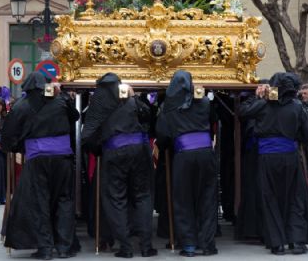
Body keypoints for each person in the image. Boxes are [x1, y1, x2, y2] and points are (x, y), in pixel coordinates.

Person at [239, 73, 308, 255]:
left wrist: (259, 96)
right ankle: (297, 241)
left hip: (267, 158)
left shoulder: (263, 105)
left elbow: (243, 111)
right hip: (289, 157)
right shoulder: (297, 107)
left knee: (270, 199)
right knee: (295, 197)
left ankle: (276, 243)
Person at [3, 73, 79, 260]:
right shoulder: (59, 101)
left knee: (39, 202)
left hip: (37, 158)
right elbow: (75, 117)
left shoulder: (21, 105)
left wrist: (21, 147)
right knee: (64, 201)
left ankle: (45, 248)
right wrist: (61, 94)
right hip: (62, 157)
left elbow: (8, 137)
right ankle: (64, 247)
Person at [81, 73, 157, 258]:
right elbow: (149, 117)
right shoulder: (131, 100)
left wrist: (100, 149)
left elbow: (88, 135)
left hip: (114, 152)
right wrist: (134, 98)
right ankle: (146, 247)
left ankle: (126, 247)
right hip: (139, 150)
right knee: (143, 196)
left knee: (117, 199)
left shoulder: (99, 101)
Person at [155, 71, 217, 257]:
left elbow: (162, 135)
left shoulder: (169, 107)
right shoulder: (204, 102)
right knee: (207, 198)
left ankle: (189, 244)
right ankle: (207, 244)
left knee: (183, 200)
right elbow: (213, 121)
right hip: (206, 154)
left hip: (184, 155)